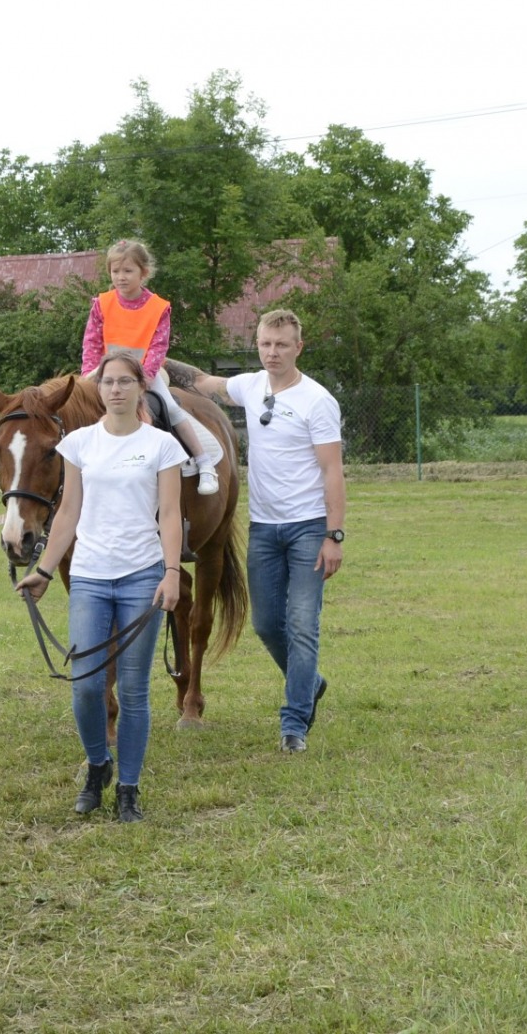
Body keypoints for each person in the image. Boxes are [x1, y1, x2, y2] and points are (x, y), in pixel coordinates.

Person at [15, 352, 186, 822]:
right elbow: (68, 512)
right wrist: (45, 570)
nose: (115, 390)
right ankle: (97, 765)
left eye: (125, 382)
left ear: (140, 387)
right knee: (87, 686)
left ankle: (129, 787)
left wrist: (172, 571)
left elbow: (170, 514)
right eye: (108, 382)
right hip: (90, 576)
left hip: (142, 575)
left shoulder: (161, 446)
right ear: (101, 388)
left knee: (133, 690)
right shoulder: (79, 444)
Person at [191, 309, 347, 753]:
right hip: (264, 529)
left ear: (299, 347)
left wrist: (333, 536)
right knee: (264, 624)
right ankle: (310, 682)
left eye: (281, 344)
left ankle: (294, 723)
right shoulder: (251, 386)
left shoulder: (317, 401)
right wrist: (152, 359)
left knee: (302, 625)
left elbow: (332, 470)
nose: (272, 352)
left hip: (308, 529)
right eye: (265, 344)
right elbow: (205, 383)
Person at [80, 239, 222, 495]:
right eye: (115, 271)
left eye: (128, 271)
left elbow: (158, 347)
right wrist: (87, 376)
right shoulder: (101, 303)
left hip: (145, 373)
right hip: (107, 374)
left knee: (171, 408)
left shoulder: (158, 307)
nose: (121, 277)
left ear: (143, 272)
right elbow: (91, 342)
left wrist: (141, 379)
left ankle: (204, 462)